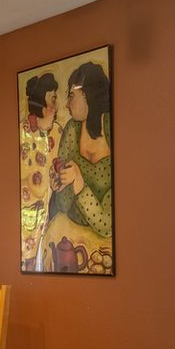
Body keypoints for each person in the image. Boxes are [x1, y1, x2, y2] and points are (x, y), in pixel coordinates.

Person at [42, 60, 112, 271]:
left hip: (104, 245)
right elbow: (62, 205)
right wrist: (59, 185)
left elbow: (106, 225)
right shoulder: (72, 130)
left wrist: (79, 182)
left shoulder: (113, 130)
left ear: (89, 95)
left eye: (71, 95)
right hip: (68, 230)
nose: (66, 104)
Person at [19, 72, 60, 268]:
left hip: (49, 214)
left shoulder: (59, 132)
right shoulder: (23, 133)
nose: (57, 106)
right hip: (27, 217)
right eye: (53, 98)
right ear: (43, 105)